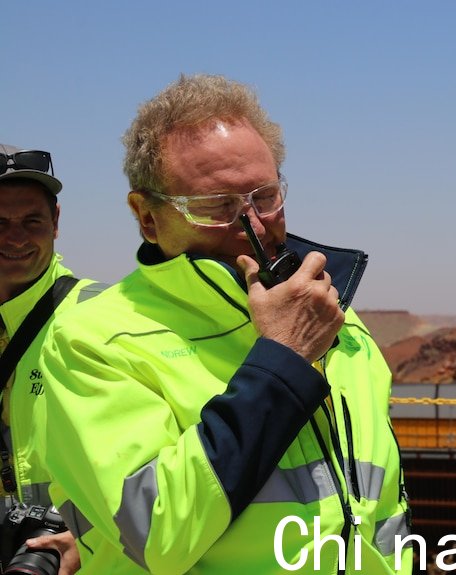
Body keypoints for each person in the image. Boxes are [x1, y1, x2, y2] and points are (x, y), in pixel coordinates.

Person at [40, 75, 412, 574]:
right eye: (217, 207)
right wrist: (282, 360)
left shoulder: (337, 317)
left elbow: (383, 504)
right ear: (146, 217)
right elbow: (158, 532)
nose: (253, 224)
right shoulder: (92, 342)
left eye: (265, 195)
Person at [0, 143, 103, 574]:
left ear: (56, 223)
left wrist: (93, 536)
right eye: (0, 223)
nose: (16, 238)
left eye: (32, 221)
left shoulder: (101, 314)